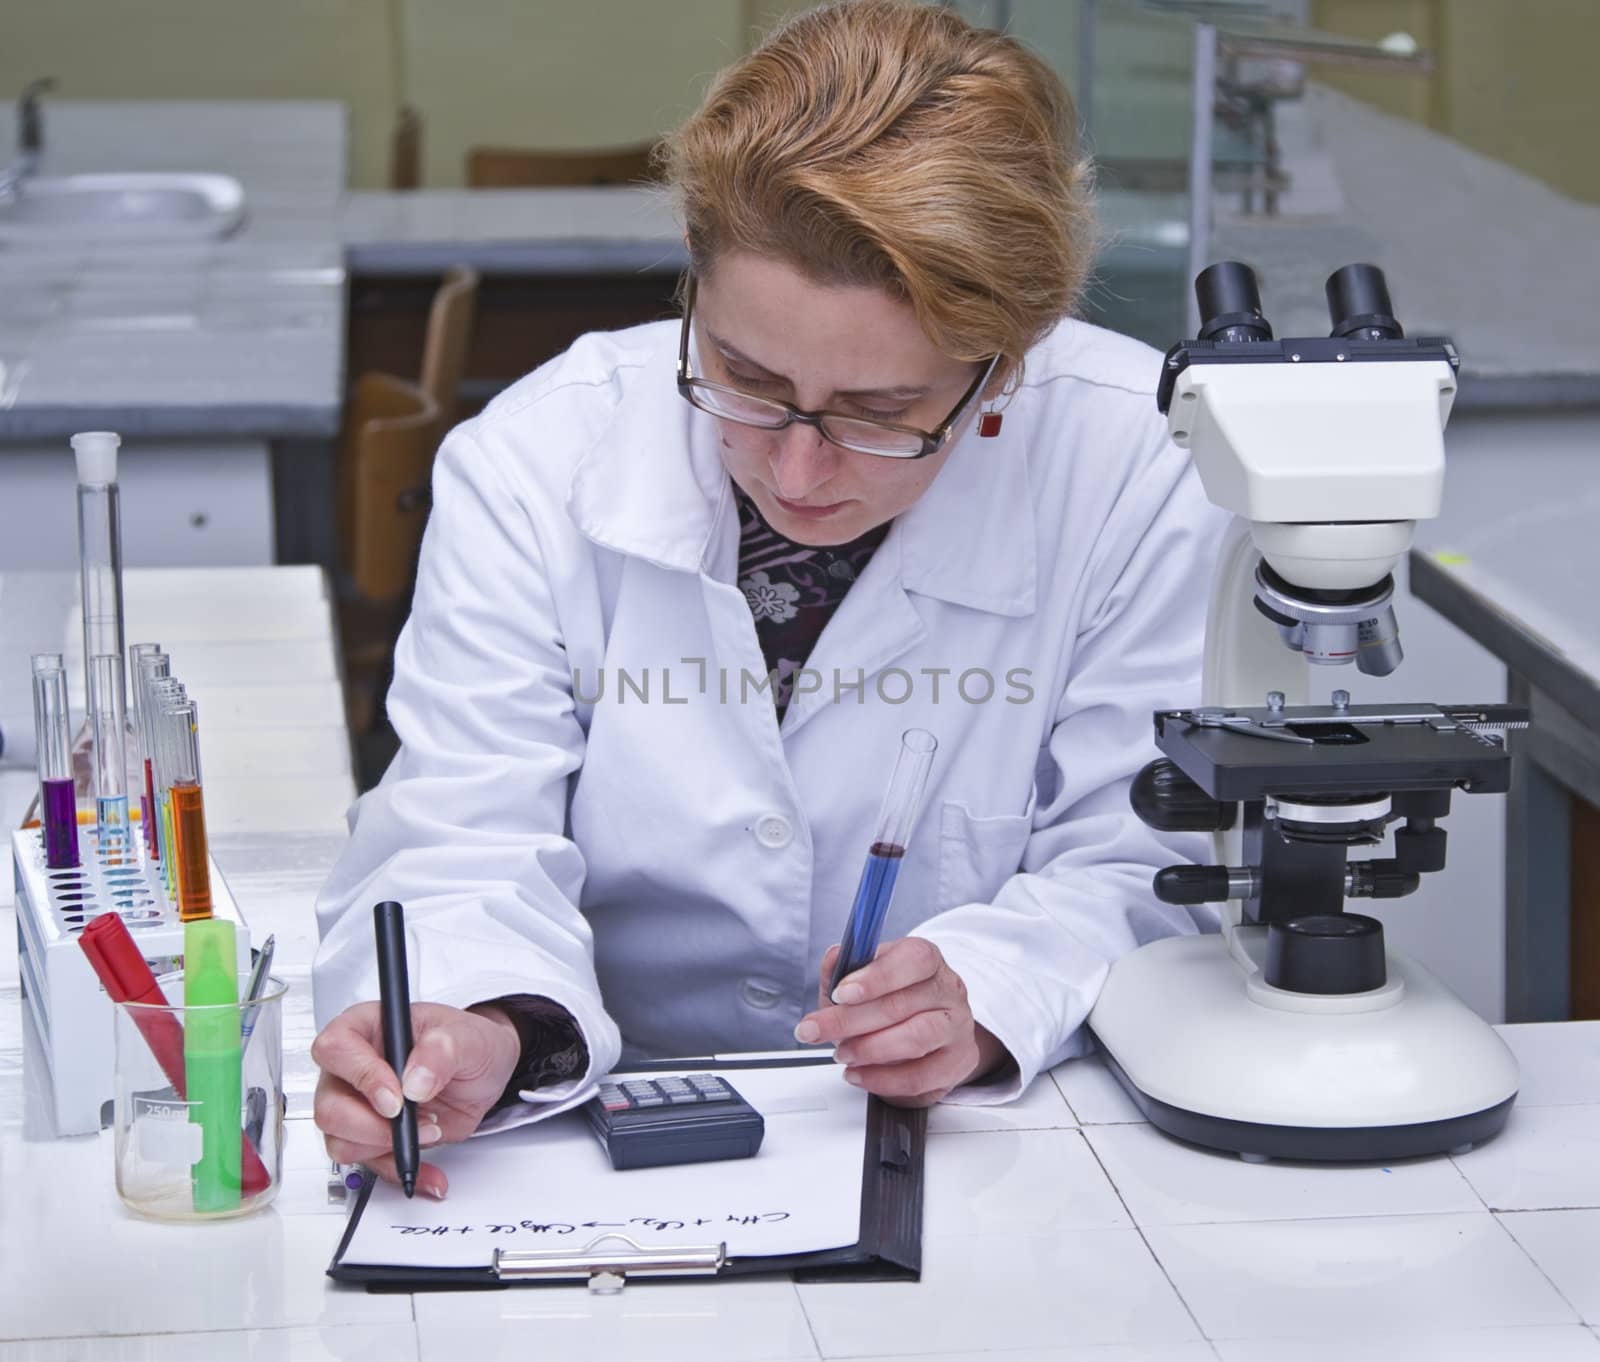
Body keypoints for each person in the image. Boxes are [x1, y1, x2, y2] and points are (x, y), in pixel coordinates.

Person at [312, 0, 1226, 1197]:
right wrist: (482, 1021)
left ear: (1005, 363)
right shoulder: (538, 457)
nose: (797, 472)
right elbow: (465, 830)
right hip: (592, 1150)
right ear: (694, 286)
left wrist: (987, 990)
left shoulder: (1141, 467)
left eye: (880, 415)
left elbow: (1142, 855)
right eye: (745, 378)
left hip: (996, 1158)